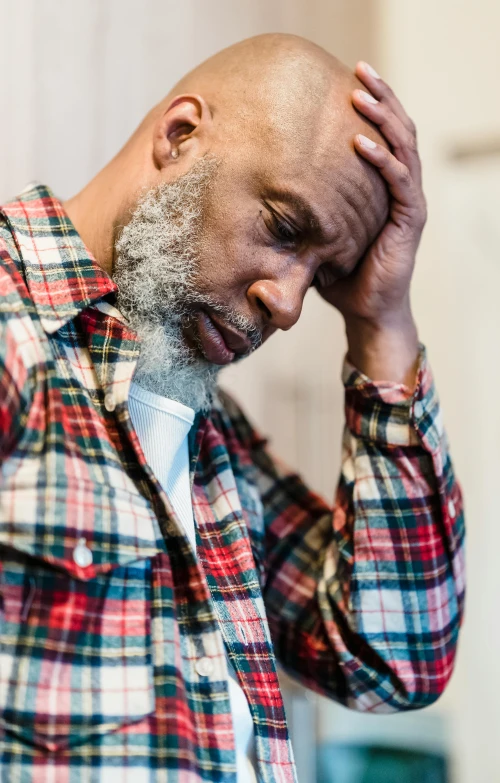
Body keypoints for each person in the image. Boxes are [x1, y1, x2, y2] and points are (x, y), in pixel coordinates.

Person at [0, 34, 464, 783]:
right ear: (180, 135)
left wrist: (382, 323)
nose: (285, 304)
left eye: (321, 278)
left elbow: (394, 658)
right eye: (283, 228)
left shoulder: (211, 433)